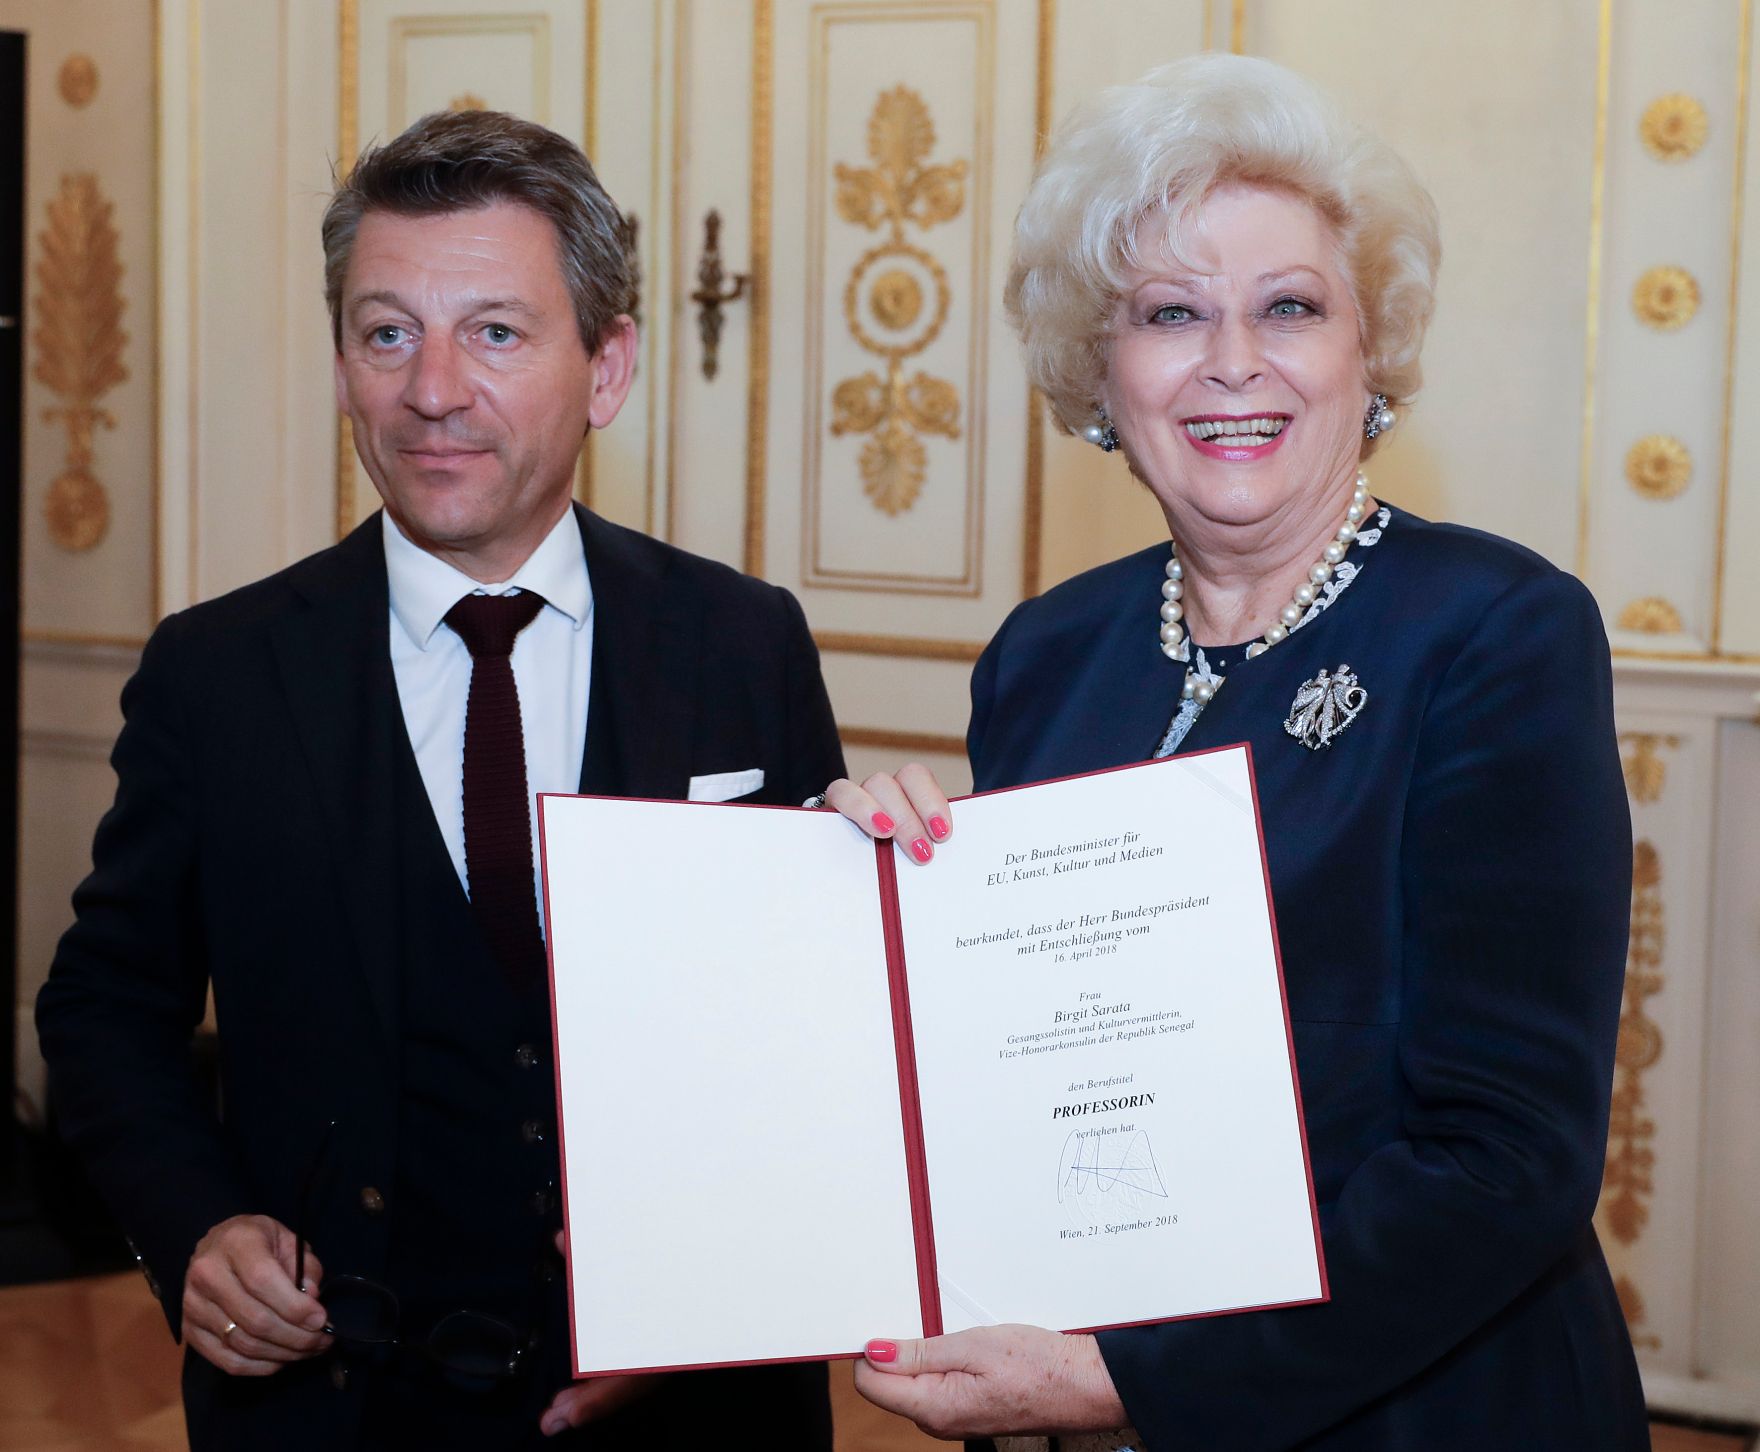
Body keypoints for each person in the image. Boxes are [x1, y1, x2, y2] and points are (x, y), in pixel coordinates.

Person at [824, 54, 1647, 1450]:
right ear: (1100, 366)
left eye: (1290, 307)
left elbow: (1507, 1161)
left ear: (1368, 351)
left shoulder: (1496, 633)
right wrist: (886, 892)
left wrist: (1137, 1386)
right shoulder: (1047, 652)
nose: (1232, 363)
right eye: (1169, 313)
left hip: (1428, 1407)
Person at [36, 110, 841, 1450]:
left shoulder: (742, 642)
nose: (432, 389)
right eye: (388, 331)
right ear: (345, 363)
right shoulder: (218, 673)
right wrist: (191, 1227)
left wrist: (710, 1279)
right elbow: (103, 1005)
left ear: (610, 367)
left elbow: (815, 1032)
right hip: (335, 1403)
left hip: (693, 1405)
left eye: (498, 333)